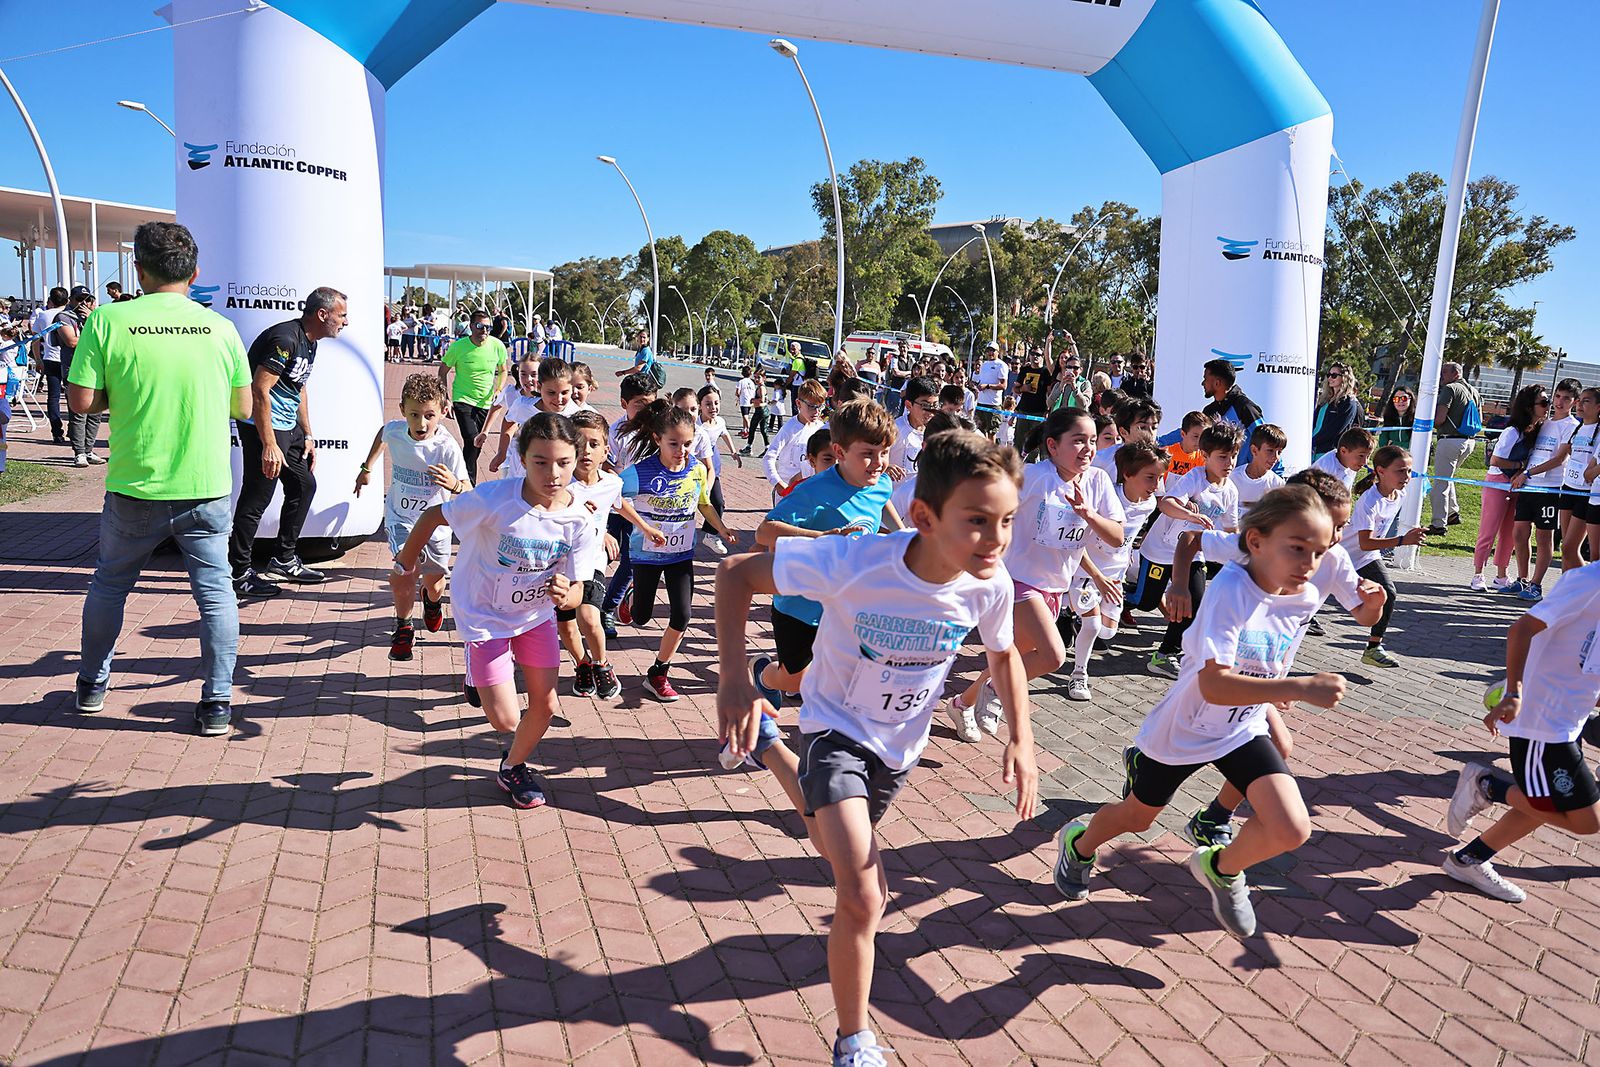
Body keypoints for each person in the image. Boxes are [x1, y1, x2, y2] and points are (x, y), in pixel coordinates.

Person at [715, 430, 1036, 1067]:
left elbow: (1004, 653)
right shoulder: (857, 561)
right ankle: (853, 1040)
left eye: (1006, 521)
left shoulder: (988, 584)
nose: (996, 540)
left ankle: (772, 744)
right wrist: (730, 680)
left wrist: (1023, 739)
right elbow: (734, 575)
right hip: (836, 732)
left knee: (823, 837)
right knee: (863, 895)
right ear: (924, 516)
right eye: (977, 522)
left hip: (899, 750)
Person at [1054, 484, 1347, 938]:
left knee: (1291, 828)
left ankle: (1221, 868)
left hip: (1242, 728)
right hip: (1186, 729)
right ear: (1257, 542)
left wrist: (1372, 603)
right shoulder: (1230, 587)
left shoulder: (1302, 588)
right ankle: (1080, 843)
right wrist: (1296, 686)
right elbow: (1212, 685)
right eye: (1297, 549)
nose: (1310, 564)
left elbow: (1355, 611)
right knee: (1137, 817)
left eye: (1320, 551)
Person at [66, 221, 252, 736]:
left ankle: (91, 686)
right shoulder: (220, 328)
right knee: (216, 595)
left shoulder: (107, 320)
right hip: (206, 484)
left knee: (109, 585)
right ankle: (217, 703)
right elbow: (242, 406)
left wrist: (116, 395)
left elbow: (81, 402)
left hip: (135, 483)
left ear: (138, 270)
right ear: (194, 273)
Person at [1163, 469, 1385, 848]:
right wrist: (1180, 584)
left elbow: (1362, 615)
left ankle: (1212, 815)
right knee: (1195, 738)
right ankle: (1152, 763)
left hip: (1265, 675)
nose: (1333, 537)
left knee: (1274, 747)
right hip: (1220, 666)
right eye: (1331, 524)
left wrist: (1375, 605)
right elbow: (1190, 539)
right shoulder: (1257, 546)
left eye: (1340, 528)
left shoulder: (1331, 561)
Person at [397, 413, 596, 809]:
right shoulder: (494, 500)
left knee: (546, 705)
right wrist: (405, 565)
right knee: (505, 720)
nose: (553, 473)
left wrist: (566, 594)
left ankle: (513, 767)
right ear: (523, 459)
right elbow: (435, 516)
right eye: (540, 462)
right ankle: (477, 668)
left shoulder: (579, 518)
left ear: (576, 460)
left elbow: (577, 592)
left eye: (562, 463)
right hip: (484, 616)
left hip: (534, 617)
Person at [948, 408, 1124, 740]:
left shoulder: (1098, 482)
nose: (1087, 448)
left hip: (1055, 587)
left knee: (1010, 656)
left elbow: (1115, 536)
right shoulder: (1034, 477)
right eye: (1077, 441)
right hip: (1016, 580)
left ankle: (961, 702)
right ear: (1053, 446)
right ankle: (997, 693)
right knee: (1053, 655)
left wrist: (1088, 515)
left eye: (1091, 441)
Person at [744, 400, 900, 751]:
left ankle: (830, 743)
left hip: (847, 604)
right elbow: (765, 531)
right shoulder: (813, 491)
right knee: (793, 680)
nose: (878, 463)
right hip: (799, 606)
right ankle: (763, 674)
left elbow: (880, 503)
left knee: (847, 680)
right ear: (839, 451)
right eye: (868, 454)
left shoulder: (880, 482)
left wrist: (903, 535)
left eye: (885, 452)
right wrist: (821, 539)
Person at [1444, 561, 1600, 904]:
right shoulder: (1590, 582)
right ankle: (1487, 786)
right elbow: (1520, 630)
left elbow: (1584, 660)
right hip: (1542, 725)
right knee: (1586, 820)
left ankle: (1468, 859)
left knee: (1546, 803)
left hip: (1567, 721)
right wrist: (1514, 692)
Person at [618, 399, 739, 702]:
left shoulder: (696, 470)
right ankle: (633, 596)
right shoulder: (638, 473)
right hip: (646, 554)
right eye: (674, 443)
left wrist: (720, 527)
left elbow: (703, 503)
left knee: (682, 615)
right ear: (658, 439)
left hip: (681, 555)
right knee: (642, 617)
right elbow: (615, 499)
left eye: (687, 443)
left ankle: (659, 672)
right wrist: (644, 527)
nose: (681, 450)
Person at [229, 287, 347, 597]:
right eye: (342, 315)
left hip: (288, 428)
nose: (345, 322)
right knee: (256, 500)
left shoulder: (310, 341)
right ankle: (238, 572)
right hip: (263, 428)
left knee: (303, 484)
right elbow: (259, 390)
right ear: (322, 314)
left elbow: (299, 388)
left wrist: (307, 434)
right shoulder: (285, 339)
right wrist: (269, 444)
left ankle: (283, 559)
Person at [354, 373, 471, 661]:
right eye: (414, 414)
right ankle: (403, 627)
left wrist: (455, 485)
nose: (421, 424)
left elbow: (469, 491)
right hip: (401, 519)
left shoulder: (446, 447)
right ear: (402, 410)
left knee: (434, 583)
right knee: (404, 570)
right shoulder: (396, 431)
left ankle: (432, 603)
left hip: (438, 526)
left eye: (429, 415)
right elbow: (382, 435)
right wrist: (366, 468)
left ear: (443, 411)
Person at [561, 409, 663, 700]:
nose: (586, 451)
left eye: (593, 444)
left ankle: (602, 663)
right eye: (578, 444)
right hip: (558, 566)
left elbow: (619, 504)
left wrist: (645, 526)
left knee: (589, 617)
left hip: (590, 560)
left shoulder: (611, 482)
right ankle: (582, 663)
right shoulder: (558, 483)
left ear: (606, 449)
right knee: (567, 629)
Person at [1128, 421, 1244, 678]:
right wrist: (1190, 516)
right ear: (1205, 455)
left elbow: (1231, 529)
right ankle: (1117, 599)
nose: (1229, 462)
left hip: (1193, 552)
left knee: (1194, 601)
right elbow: (1167, 504)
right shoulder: (1194, 477)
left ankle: (1164, 655)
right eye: (1222, 457)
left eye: (1233, 455)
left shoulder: (1231, 491)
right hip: (1161, 550)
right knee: (1145, 602)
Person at [1067, 442, 1168, 700]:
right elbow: (1077, 540)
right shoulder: (1104, 496)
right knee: (1091, 625)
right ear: (1127, 474)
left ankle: (1072, 615)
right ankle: (1079, 676)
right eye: (1150, 478)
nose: (1156, 485)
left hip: (1115, 574)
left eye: (1159, 478)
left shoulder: (1148, 505)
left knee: (1108, 631)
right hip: (1086, 569)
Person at [1343, 446, 1425, 667]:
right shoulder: (1369, 502)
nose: (1406, 477)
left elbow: (1368, 547)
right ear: (1380, 471)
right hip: (1342, 557)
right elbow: (1365, 542)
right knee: (1313, 599)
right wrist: (1402, 540)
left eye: (1408, 471)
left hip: (1367, 557)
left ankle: (1373, 648)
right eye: (1400, 471)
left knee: (1388, 592)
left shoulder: (1400, 494)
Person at [599, 373, 660, 637]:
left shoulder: (660, 428)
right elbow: (608, 465)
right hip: (615, 504)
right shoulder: (616, 431)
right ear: (624, 403)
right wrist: (618, 483)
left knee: (631, 559)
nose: (646, 410)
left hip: (645, 507)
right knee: (605, 556)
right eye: (639, 404)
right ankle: (588, 601)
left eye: (650, 403)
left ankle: (606, 609)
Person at [1510, 377, 1582, 601]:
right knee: (1520, 534)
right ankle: (1522, 579)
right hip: (1528, 487)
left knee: (1544, 537)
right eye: (1557, 397)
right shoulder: (1545, 422)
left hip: (1549, 488)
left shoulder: (1572, 426)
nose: (1559, 402)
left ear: (1575, 402)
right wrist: (1521, 470)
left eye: (1566, 398)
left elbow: (1559, 459)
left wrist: (1528, 473)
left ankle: (1536, 584)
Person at [1475, 384, 1544, 595]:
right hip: (1498, 481)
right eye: (1543, 403)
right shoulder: (1512, 431)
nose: (1547, 407)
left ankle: (1502, 575)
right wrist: (1519, 467)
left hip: (1517, 485)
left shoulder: (1535, 431)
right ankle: (1478, 573)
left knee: (1510, 532)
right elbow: (1495, 460)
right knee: (1489, 527)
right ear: (1528, 406)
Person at [439, 310, 509, 484]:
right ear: (471, 326)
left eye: (488, 327)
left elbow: (503, 370)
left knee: (476, 443)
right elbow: (442, 371)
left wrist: (499, 389)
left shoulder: (497, 345)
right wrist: (445, 397)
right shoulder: (458, 347)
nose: (484, 330)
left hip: (486, 402)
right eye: (479, 326)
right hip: (462, 399)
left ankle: (460, 474)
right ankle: (468, 484)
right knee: (471, 439)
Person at [1427, 361, 1483, 535]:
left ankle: (1438, 524)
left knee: (1440, 483)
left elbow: (1440, 418)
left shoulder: (1450, 389)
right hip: (1469, 442)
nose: (1441, 376)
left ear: (1455, 374)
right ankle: (1452, 513)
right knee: (1448, 478)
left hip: (1449, 440)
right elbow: (1480, 419)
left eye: (1444, 372)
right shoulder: (1475, 392)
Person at [52, 286, 103, 467]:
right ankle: (79, 452)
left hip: (97, 370)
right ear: (70, 300)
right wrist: (92, 325)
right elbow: (71, 341)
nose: (83, 303)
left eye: (87, 299)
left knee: (95, 413)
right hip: (75, 370)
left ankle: (89, 449)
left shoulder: (95, 318)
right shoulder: (64, 317)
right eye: (79, 299)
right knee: (78, 412)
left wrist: (93, 319)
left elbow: (106, 339)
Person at [1551, 386, 1600, 572]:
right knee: (1566, 548)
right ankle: (1566, 591)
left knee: (1570, 548)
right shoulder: (1578, 428)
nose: (1580, 403)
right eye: (1579, 400)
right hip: (1569, 487)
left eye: (1586, 400)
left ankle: (1586, 588)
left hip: (1587, 493)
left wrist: (1590, 472)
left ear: (1598, 407)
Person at [693, 384, 742, 554]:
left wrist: (733, 451)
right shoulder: (695, 425)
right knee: (691, 505)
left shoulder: (720, 421)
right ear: (700, 405)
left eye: (716, 403)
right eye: (708, 404)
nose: (713, 407)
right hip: (696, 468)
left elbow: (725, 433)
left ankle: (710, 534)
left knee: (718, 502)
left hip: (713, 466)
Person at [764, 379, 828, 496]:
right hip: (787, 492)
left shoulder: (820, 428)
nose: (817, 412)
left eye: (820, 407)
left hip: (810, 491)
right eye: (811, 406)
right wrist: (778, 483)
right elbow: (769, 457)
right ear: (798, 403)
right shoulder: (789, 429)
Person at [1200, 357, 1267, 466]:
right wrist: (1162, 442)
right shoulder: (1209, 411)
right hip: (1219, 480)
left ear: (1217, 383)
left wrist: (1277, 474)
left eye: (1205, 379)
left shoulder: (1246, 407)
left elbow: (1267, 440)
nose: (1202, 383)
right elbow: (1190, 433)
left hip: (1245, 480)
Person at [32, 286, 67, 446]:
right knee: (71, 396)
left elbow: (35, 339)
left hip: (50, 358)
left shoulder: (43, 315)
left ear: (51, 301)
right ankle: (75, 429)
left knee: (53, 397)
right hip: (68, 359)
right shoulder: (69, 315)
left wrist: (38, 360)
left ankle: (57, 432)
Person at [887, 377, 939, 481]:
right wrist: (886, 468)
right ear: (908, 405)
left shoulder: (937, 432)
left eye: (934, 405)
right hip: (895, 494)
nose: (930, 411)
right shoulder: (893, 429)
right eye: (925, 405)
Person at [1310, 362, 1366, 459]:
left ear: (1345, 378)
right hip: (1312, 450)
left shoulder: (1348, 402)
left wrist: (1312, 441)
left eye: (1334, 375)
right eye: (1329, 375)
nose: (1330, 378)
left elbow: (1336, 430)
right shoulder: (1325, 400)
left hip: (1329, 453)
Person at [1094, 398, 1161, 477]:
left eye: (1154, 427)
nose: (1150, 433)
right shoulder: (1102, 459)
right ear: (1123, 432)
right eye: (1142, 427)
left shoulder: (1159, 460)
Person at [1230, 424, 1288, 512]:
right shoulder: (1232, 478)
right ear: (1254, 450)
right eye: (1270, 451)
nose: (1276, 457)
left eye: (1279, 452)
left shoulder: (1278, 485)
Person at [1309, 426, 1374, 492]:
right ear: (1343, 451)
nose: (1365, 462)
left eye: (1368, 456)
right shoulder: (1325, 469)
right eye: (1361, 455)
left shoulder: (1351, 464)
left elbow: (1347, 492)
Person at [974, 341, 1008, 435]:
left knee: (992, 432)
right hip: (981, 402)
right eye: (988, 350)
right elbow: (981, 381)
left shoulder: (1001, 365)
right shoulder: (984, 365)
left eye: (993, 350)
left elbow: (1004, 385)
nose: (990, 353)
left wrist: (988, 386)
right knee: (979, 432)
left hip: (993, 404)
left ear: (998, 352)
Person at [735, 366, 756, 430]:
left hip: (744, 401)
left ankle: (750, 429)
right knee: (745, 416)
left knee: (745, 417)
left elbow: (737, 392)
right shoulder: (752, 383)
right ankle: (744, 429)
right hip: (750, 401)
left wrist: (738, 396)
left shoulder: (741, 382)